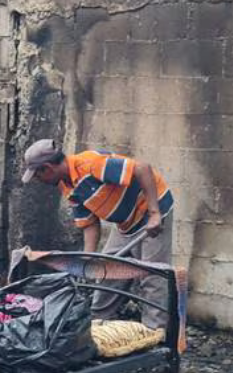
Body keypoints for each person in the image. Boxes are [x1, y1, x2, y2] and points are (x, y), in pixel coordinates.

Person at [21, 139, 176, 329]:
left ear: (47, 168)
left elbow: (143, 168)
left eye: (37, 175)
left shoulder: (90, 164)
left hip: (151, 209)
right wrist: (87, 260)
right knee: (106, 269)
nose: (38, 181)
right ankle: (98, 324)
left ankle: (155, 334)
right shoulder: (67, 185)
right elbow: (89, 223)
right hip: (126, 221)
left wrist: (154, 213)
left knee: (152, 275)